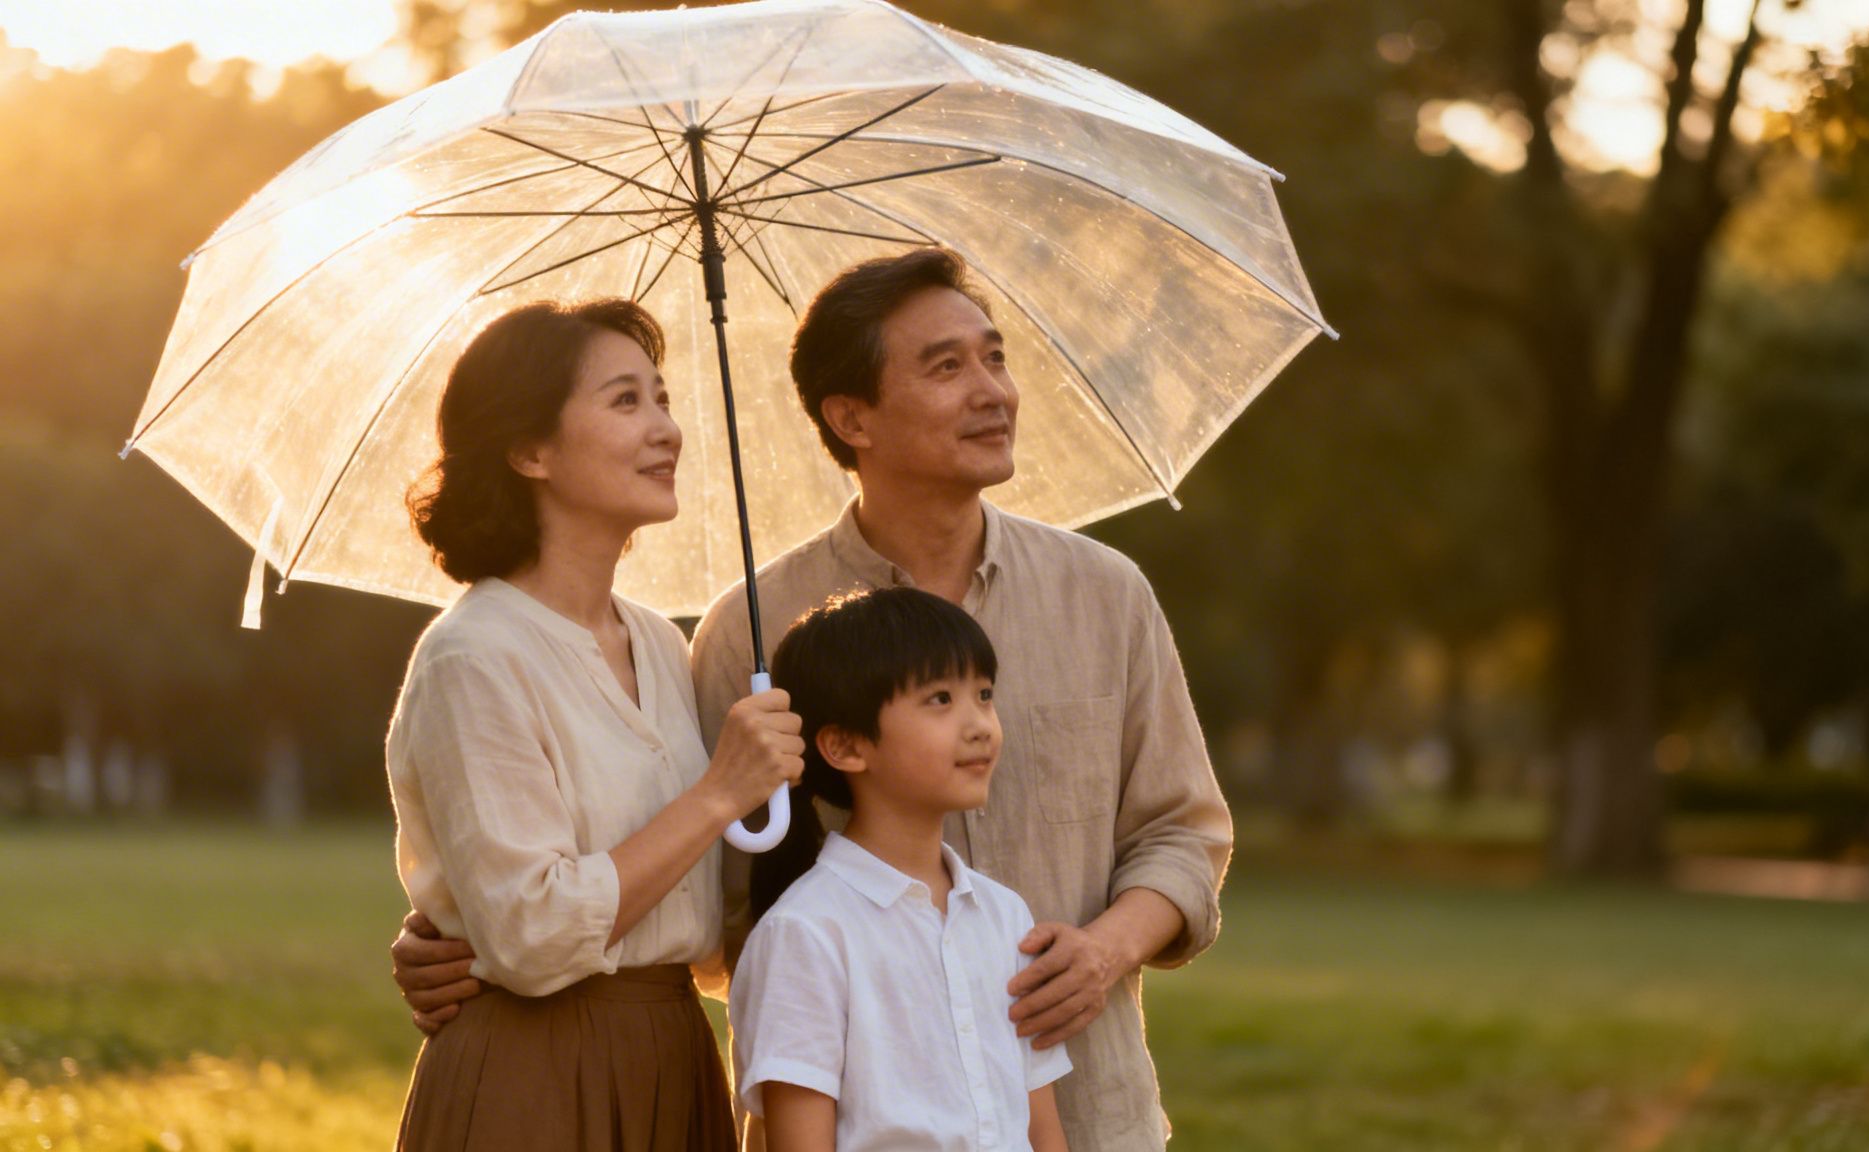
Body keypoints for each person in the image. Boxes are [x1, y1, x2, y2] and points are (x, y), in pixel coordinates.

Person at [396, 249, 1233, 1152]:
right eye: (946, 367)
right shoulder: (745, 635)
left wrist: (1106, 948)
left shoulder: (1103, 594)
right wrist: (460, 933)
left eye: (994, 357)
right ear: (850, 415)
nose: (992, 390)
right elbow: (713, 904)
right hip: (848, 1121)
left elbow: (1186, 834)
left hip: (1081, 1109)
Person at [385, 298, 804, 1151]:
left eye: (663, 398)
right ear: (530, 450)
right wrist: (721, 792)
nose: (667, 429)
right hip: (536, 1075)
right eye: (625, 402)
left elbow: (697, 917)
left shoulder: (656, 640)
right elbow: (532, 935)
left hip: (672, 1054)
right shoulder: (474, 657)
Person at [731, 586, 1070, 1151]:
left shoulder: (1005, 915)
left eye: (984, 695)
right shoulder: (805, 933)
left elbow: (1041, 1128)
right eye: (940, 699)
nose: (981, 724)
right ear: (844, 746)